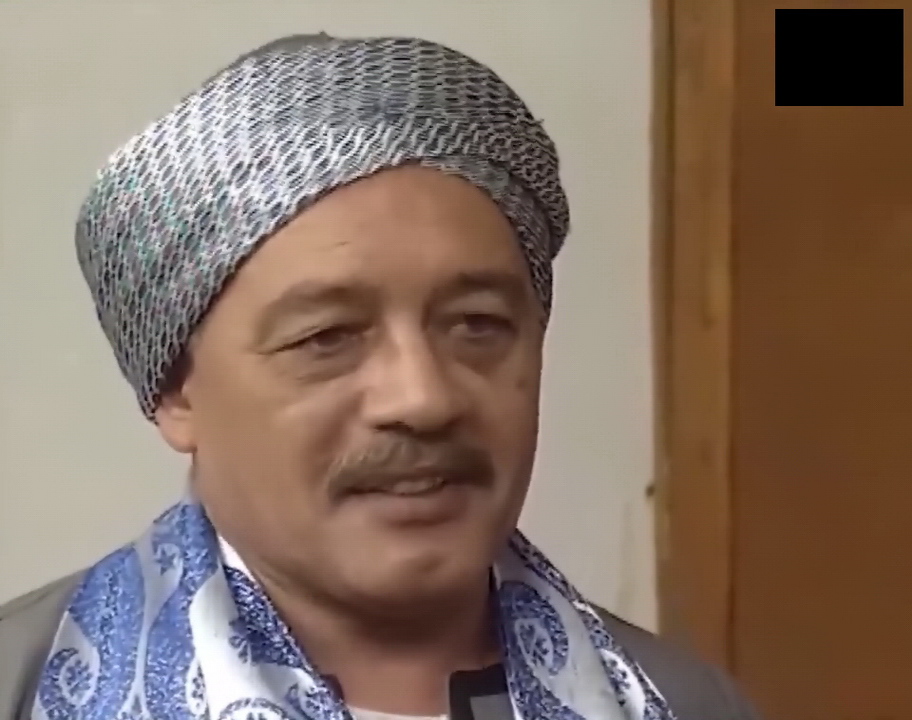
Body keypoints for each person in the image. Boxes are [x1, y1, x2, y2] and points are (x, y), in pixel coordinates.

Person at [0, 33, 762, 720]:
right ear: (176, 390)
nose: (423, 398)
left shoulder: (677, 703)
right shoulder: (23, 687)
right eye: (327, 337)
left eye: (477, 325)